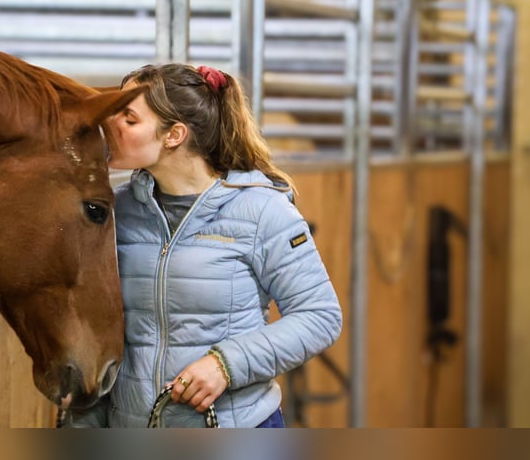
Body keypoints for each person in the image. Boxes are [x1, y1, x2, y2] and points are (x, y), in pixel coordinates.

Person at [73, 63, 342, 428]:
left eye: (129, 118)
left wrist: (225, 365)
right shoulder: (116, 213)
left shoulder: (262, 211)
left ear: (174, 135)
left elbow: (320, 316)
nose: (110, 121)